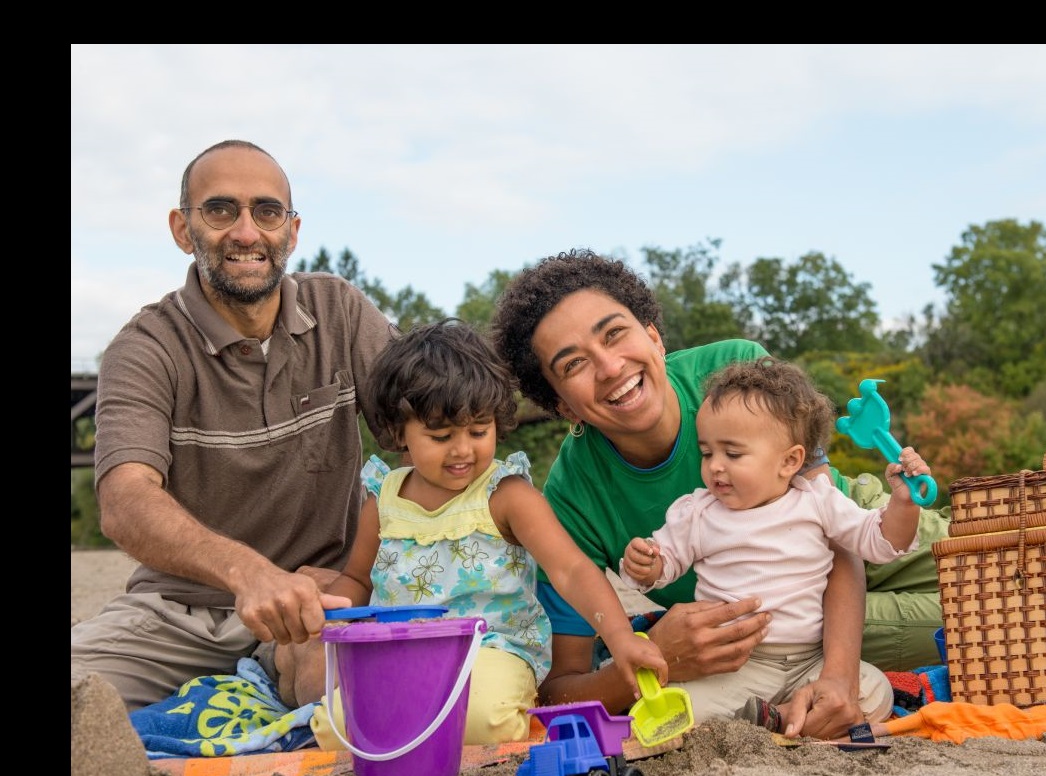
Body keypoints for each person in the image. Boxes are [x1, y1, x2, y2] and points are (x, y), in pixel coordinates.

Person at [490, 247, 948, 740]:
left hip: (861, 523)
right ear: (564, 407)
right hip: (788, 621)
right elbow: (561, 689)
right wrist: (657, 655)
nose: (608, 366)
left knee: (1012, 567)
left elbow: (837, 538)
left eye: (615, 333)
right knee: (988, 627)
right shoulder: (572, 499)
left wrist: (839, 675)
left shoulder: (737, 371)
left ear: (653, 336)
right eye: (574, 363)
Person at [70, 139, 400, 712]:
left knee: (363, 697)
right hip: (178, 614)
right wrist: (249, 573)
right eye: (221, 210)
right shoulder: (144, 346)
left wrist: (362, 573)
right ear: (182, 228)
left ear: (291, 232)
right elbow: (124, 500)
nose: (246, 232)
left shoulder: (341, 311)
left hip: (319, 601)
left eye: (266, 212)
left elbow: (433, 431)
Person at [292, 319, 668, 745]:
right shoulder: (385, 499)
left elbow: (572, 571)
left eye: (478, 430)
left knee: (487, 721)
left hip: (492, 650)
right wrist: (330, 608)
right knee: (336, 728)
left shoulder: (505, 495)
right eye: (439, 436)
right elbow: (358, 579)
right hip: (399, 653)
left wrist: (620, 638)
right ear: (399, 432)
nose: (463, 450)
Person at [618, 357, 934, 728]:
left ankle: (778, 717)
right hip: (738, 663)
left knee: (874, 691)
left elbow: (879, 541)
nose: (716, 466)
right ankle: (784, 719)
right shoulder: (699, 512)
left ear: (789, 461)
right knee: (687, 708)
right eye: (707, 453)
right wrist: (646, 563)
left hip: (812, 659)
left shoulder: (817, 501)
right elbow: (664, 561)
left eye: (733, 454)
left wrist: (903, 503)